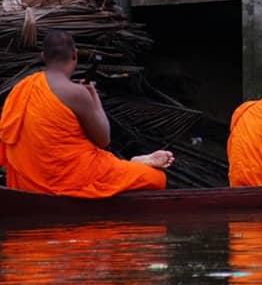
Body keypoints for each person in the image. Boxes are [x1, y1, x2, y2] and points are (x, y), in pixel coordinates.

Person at [0, 30, 173, 197]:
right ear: (75, 55)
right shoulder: (76, 93)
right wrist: (94, 99)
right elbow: (103, 139)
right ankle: (131, 164)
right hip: (71, 179)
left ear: (43, 57)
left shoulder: (22, 88)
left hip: (27, 184)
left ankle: (128, 164)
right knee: (157, 178)